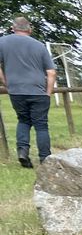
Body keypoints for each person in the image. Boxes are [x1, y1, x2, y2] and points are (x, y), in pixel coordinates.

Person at [0, 17, 56, 167]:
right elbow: (51, 72)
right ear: (29, 29)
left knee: (23, 120)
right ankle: (45, 158)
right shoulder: (39, 45)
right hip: (38, 90)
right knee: (41, 125)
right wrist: (48, 93)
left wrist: (6, 83)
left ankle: (23, 151)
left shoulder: (2, 42)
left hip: (16, 90)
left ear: (13, 28)